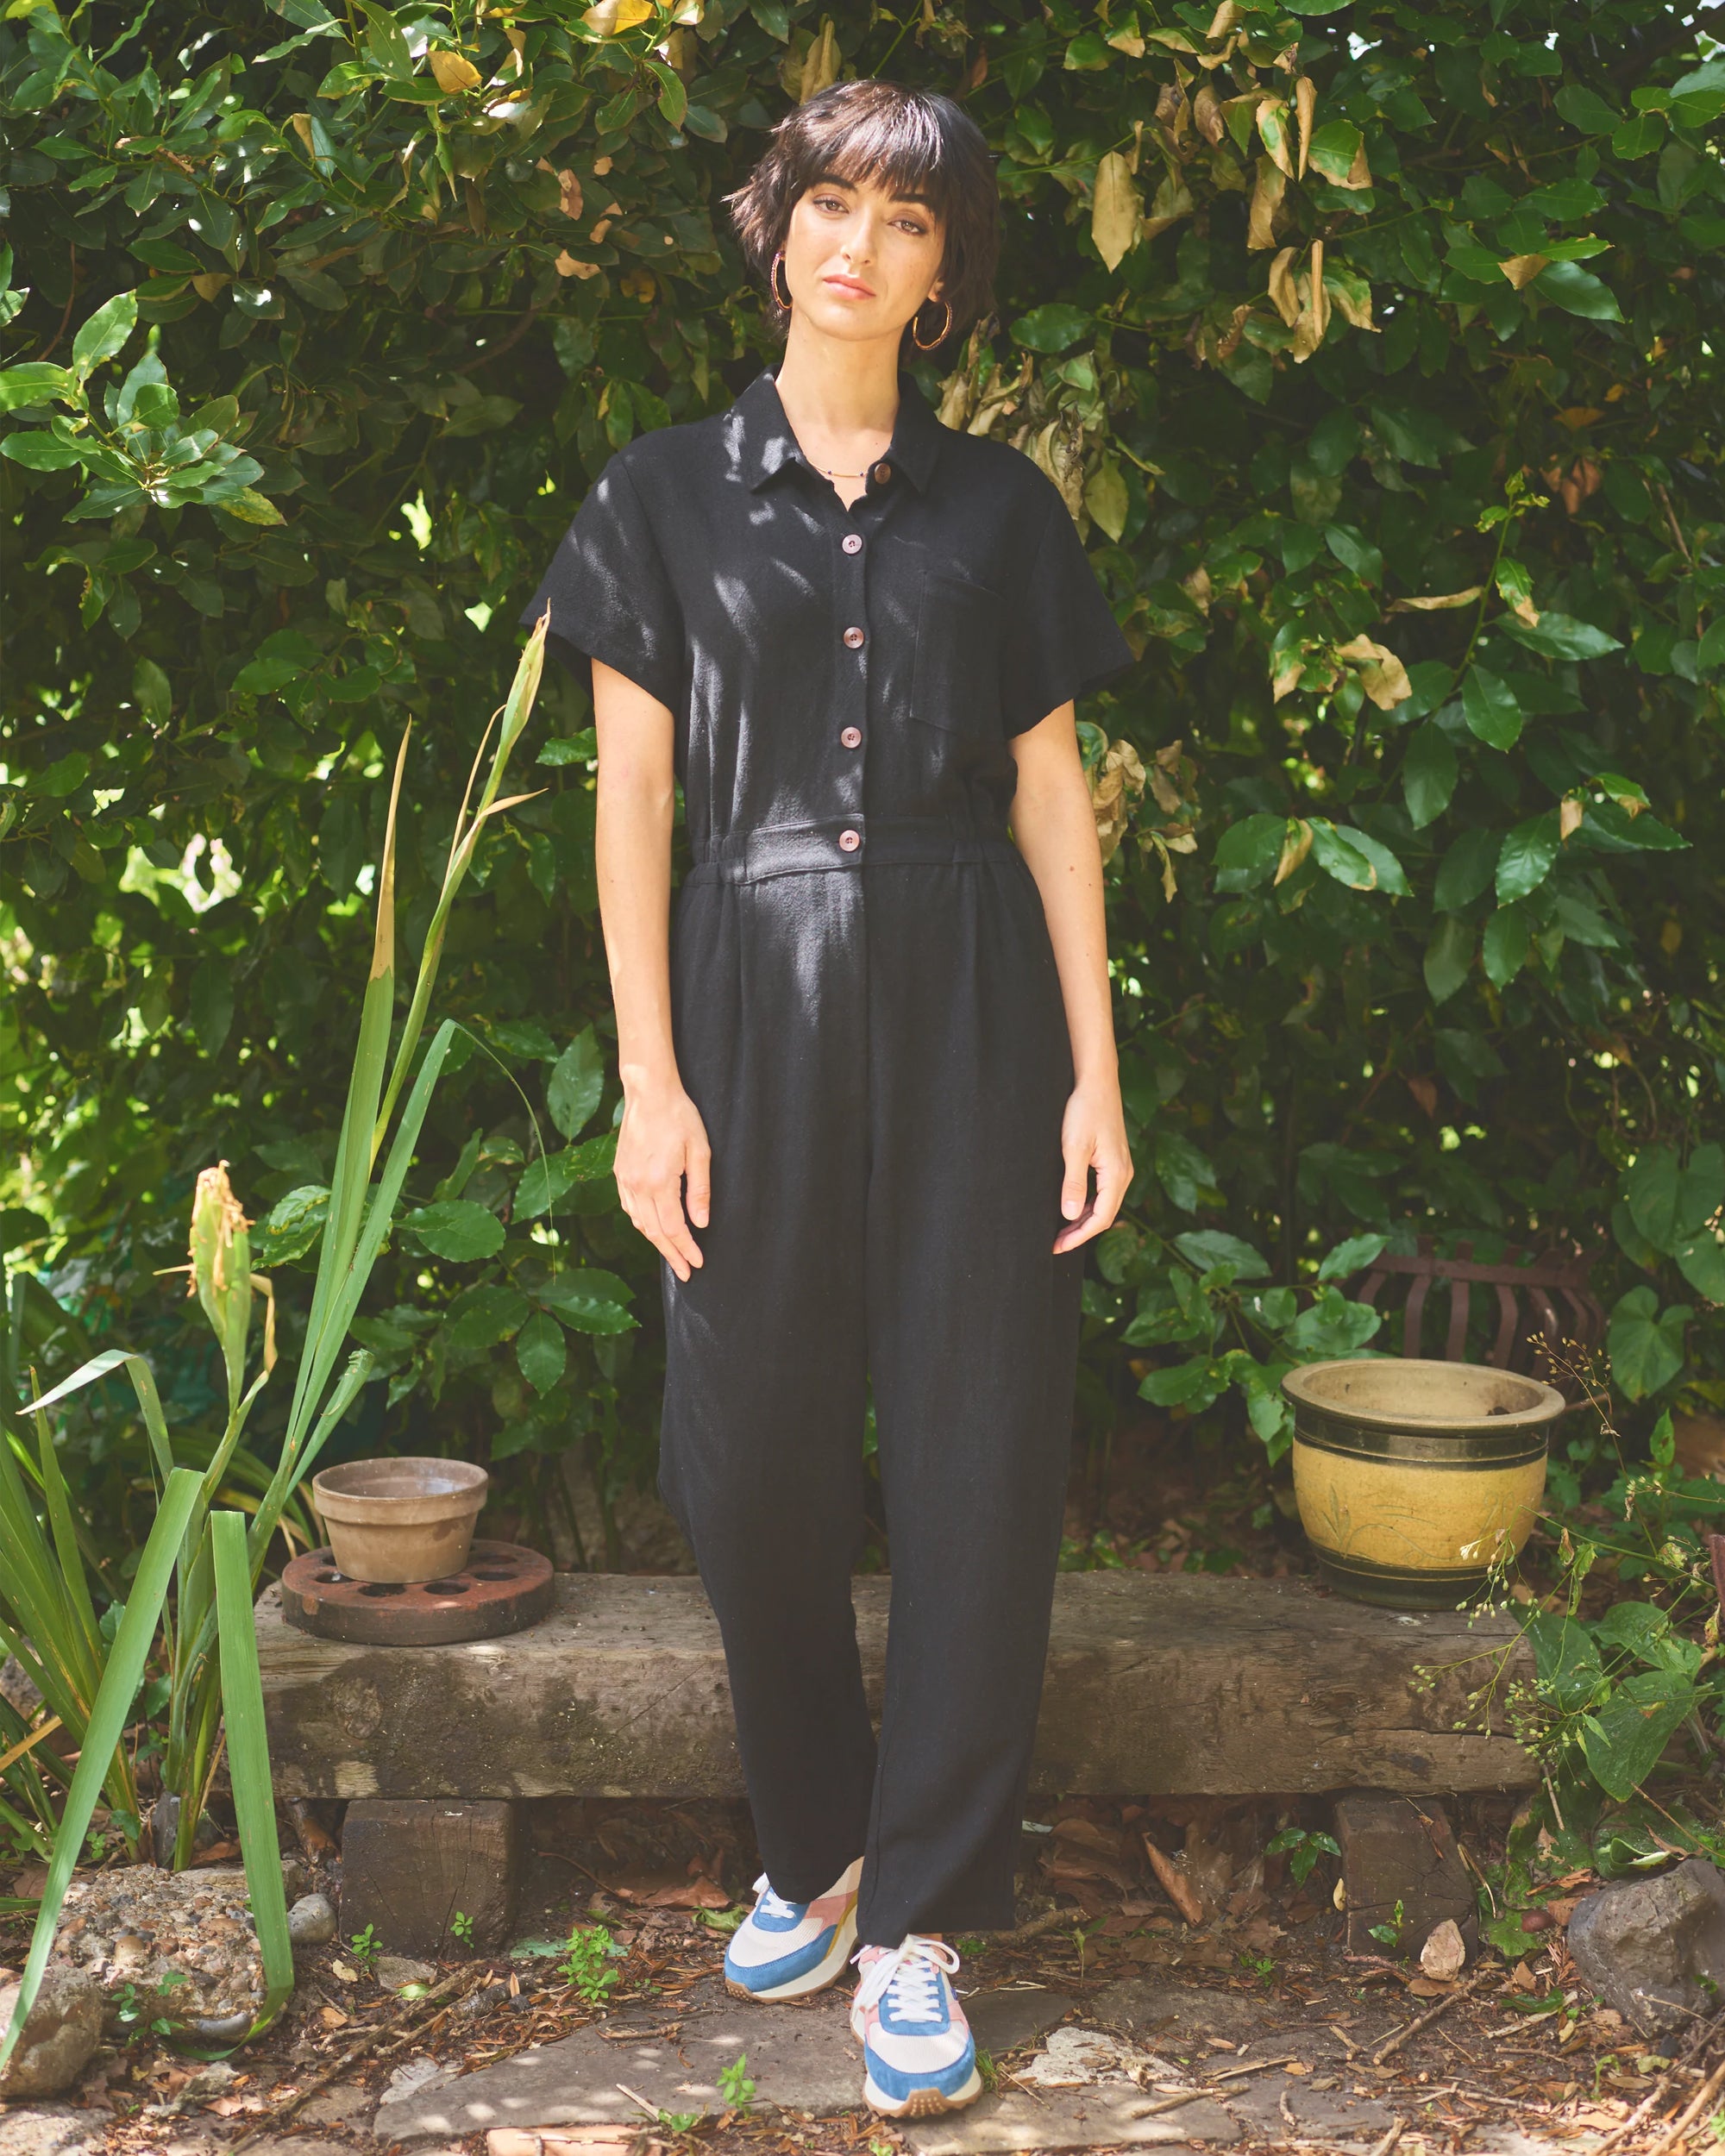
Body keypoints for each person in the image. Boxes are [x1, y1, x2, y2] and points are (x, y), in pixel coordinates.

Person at [520, 77, 1135, 2119]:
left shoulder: (1002, 512)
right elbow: (631, 799)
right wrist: (649, 1079)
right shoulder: (659, 497)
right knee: (742, 1453)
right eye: (831, 203)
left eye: (905, 218)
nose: (857, 245)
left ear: (944, 275)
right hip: (746, 993)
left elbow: (1051, 792)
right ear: (778, 227)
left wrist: (1093, 1071)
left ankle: (920, 1924)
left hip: (974, 1001)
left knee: (978, 1456)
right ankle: (816, 1830)